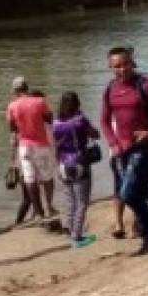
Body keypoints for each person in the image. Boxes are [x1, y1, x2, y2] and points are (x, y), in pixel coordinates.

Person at [100, 47, 148, 255]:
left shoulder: (146, 86)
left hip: (143, 148)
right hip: (122, 151)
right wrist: (113, 144)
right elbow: (104, 121)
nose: (122, 69)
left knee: (127, 193)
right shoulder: (110, 89)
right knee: (138, 194)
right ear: (110, 67)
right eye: (117, 66)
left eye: (125, 64)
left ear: (132, 63)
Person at [52, 91, 100, 249]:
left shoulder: (56, 123)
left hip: (63, 165)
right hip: (80, 163)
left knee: (69, 201)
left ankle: (72, 231)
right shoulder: (80, 120)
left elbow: (56, 145)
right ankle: (77, 236)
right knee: (82, 202)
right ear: (77, 103)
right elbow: (95, 134)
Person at [7, 78, 57, 221]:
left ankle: (39, 213)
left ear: (15, 91)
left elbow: (12, 129)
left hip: (24, 146)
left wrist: (12, 156)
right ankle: (49, 206)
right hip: (41, 144)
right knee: (47, 177)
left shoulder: (12, 106)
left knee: (30, 179)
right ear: (27, 88)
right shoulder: (40, 102)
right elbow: (50, 119)